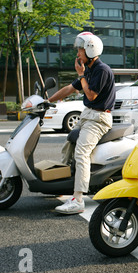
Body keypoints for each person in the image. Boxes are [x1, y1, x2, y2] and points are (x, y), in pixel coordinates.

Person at [48, 32, 116, 214]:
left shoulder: (101, 70)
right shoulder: (90, 70)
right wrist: (48, 101)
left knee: (81, 153)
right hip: (87, 115)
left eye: (80, 50)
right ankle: (63, 186)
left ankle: (78, 200)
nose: (77, 54)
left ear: (90, 50)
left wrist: (82, 75)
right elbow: (70, 88)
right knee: (68, 145)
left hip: (99, 119)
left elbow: (91, 95)